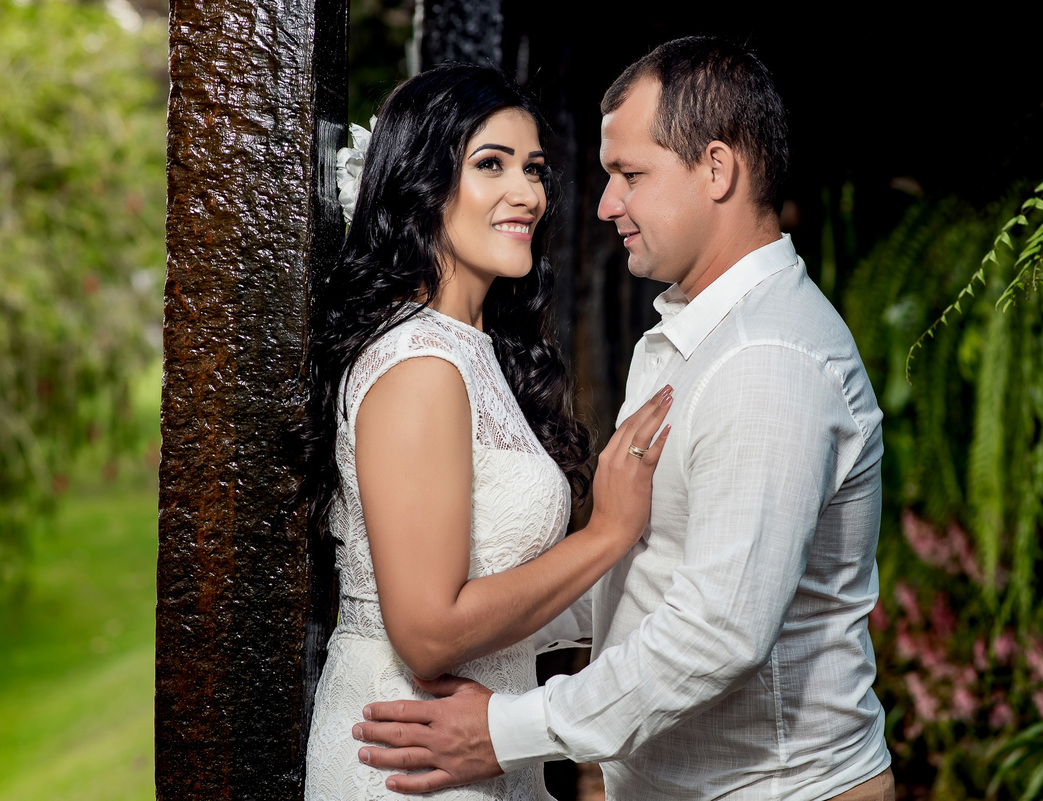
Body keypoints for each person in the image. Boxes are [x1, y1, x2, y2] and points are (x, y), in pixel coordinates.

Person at [353, 37, 896, 800]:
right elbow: (648, 568)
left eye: (629, 175)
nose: (604, 204)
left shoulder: (767, 359)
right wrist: (477, 638)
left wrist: (505, 729)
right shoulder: (683, 336)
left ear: (717, 169)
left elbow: (718, 631)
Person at [298, 63, 671, 800]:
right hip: (405, 762)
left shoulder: (475, 349)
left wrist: (657, 579)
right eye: (490, 164)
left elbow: (498, 587)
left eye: (532, 169)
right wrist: (607, 535)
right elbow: (428, 633)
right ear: (422, 184)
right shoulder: (420, 365)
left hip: (473, 752)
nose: (527, 193)